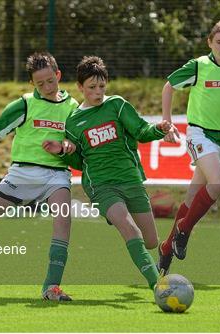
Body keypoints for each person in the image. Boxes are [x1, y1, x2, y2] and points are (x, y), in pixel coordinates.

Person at [0, 52, 79, 301]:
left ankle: (51, 287)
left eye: (50, 81)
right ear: (32, 84)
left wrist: (66, 146)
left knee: (63, 220)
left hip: (57, 175)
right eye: (40, 84)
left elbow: (75, 142)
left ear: (58, 75)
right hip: (22, 174)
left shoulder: (73, 108)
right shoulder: (24, 104)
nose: (46, 87)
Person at [43, 56, 171, 292]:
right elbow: (79, 162)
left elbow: (141, 130)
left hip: (130, 179)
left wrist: (158, 130)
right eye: (91, 87)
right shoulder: (73, 121)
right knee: (129, 228)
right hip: (101, 185)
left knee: (151, 240)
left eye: (102, 86)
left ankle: (133, 234)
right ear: (80, 87)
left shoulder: (117, 105)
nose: (98, 92)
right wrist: (63, 151)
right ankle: (159, 286)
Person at [158, 20, 220, 273]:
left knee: (192, 197)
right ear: (210, 42)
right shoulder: (199, 66)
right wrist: (167, 121)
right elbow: (169, 86)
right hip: (199, 133)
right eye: (219, 42)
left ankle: (167, 247)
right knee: (219, 184)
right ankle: (183, 230)